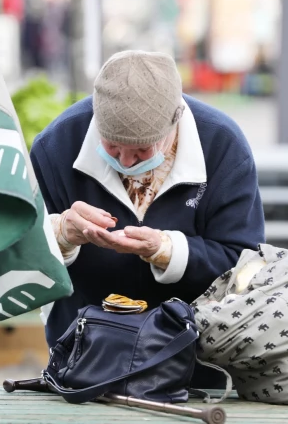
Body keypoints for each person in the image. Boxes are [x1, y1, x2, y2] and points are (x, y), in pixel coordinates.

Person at [31, 50, 265, 352]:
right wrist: (61, 234)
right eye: (112, 145)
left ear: (175, 121)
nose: (126, 161)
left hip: (198, 350)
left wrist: (168, 251)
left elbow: (246, 263)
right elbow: (20, 253)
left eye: (142, 149)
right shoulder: (57, 145)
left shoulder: (222, 146)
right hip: (83, 353)